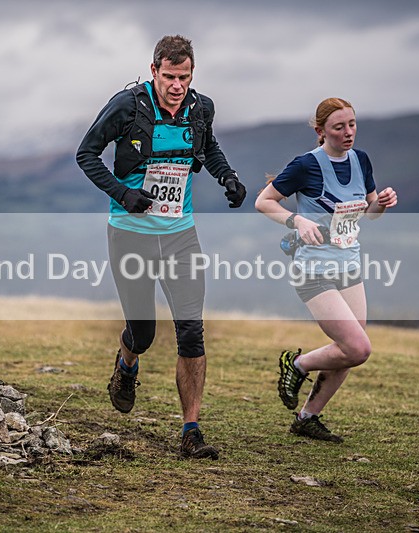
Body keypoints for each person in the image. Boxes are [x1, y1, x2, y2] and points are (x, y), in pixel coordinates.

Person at [76, 35, 246, 459]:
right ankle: (126, 365)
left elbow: (208, 149)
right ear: (153, 71)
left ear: (192, 74)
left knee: (191, 331)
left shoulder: (199, 108)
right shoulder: (127, 106)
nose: (177, 85)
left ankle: (191, 431)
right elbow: (87, 154)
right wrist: (122, 194)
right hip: (130, 233)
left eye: (184, 77)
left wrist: (227, 177)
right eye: (169, 76)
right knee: (144, 333)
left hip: (179, 234)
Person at [254, 97, 397, 442]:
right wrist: (296, 219)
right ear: (321, 131)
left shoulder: (361, 160)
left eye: (352, 124)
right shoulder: (306, 165)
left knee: (350, 352)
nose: (348, 133)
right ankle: (297, 365)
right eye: (339, 127)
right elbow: (263, 201)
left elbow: (369, 212)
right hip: (313, 268)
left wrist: (382, 203)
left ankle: (307, 417)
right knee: (358, 348)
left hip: (350, 265)